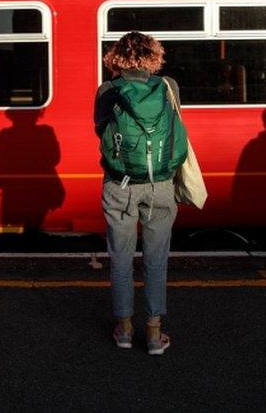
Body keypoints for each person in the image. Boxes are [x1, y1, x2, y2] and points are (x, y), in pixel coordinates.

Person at [94, 31, 183, 355]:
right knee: (156, 260)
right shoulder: (169, 87)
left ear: (116, 57)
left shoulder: (108, 90)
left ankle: (126, 330)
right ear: (154, 56)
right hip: (160, 184)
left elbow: (100, 131)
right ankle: (155, 334)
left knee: (121, 258)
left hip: (120, 185)